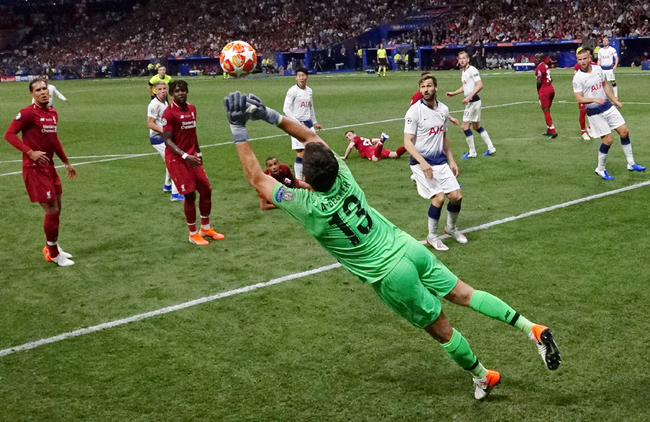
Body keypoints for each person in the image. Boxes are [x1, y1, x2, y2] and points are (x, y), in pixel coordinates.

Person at [224, 91, 562, 400]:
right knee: (465, 294)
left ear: (308, 180)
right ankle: (531, 328)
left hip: (390, 275)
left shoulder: (308, 207)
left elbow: (257, 178)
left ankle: (482, 376)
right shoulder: (344, 174)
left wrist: (237, 127)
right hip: (408, 247)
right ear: (331, 163)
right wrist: (266, 114)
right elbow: (311, 137)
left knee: (442, 331)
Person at [4, 79, 77, 266]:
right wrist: (30, 152)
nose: (43, 92)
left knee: (57, 208)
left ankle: (51, 246)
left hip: (50, 167)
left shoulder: (53, 113)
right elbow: (9, 134)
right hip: (34, 169)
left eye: (45, 88)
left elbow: (54, 140)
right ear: (32, 95)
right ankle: (52, 253)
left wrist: (66, 162)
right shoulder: (27, 113)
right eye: (38, 90)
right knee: (51, 210)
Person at [404, 74, 466, 252]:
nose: (426, 89)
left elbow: (443, 136)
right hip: (420, 163)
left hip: (440, 161)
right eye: (422, 86)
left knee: (456, 196)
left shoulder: (443, 110)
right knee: (438, 198)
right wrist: (422, 163)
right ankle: (432, 236)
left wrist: (452, 160)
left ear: (436, 88)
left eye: (429, 86)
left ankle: (451, 228)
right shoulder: (414, 111)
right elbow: (407, 142)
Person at [162, 80, 225, 244]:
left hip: (192, 157)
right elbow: (167, 141)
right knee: (190, 195)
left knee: (206, 190)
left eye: (183, 90)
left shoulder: (192, 109)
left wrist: (199, 152)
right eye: (177, 91)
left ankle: (205, 228)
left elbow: (193, 134)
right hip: (177, 159)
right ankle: (192, 234)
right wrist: (184, 156)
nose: (180, 93)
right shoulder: (168, 114)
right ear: (171, 94)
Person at [573, 48, 645, 180]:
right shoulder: (578, 78)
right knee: (608, 139)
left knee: (624, 132)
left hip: (607, 106)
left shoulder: (598, 69)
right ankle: (600, 168)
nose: (582, 62)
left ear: (590, 58)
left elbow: (604, 85)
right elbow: (579, 98)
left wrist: (615, 101)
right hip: (594, 112)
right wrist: (595, 99)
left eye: (584, 58)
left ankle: (631, 163)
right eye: (579, 59)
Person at [446, 51, 496, 159]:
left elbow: (479, 85)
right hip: (473, 101)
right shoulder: (464, 72)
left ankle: (472, 152)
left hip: (473, 102)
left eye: (464, 58)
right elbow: (465, 86)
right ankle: (491, 147)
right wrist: (454, 93)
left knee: (464, 127)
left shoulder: (472, 70)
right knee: (476, 127)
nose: (462, 60)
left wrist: (469, 97)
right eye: (460, 58)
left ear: (468, 59)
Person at [147, 81, 183, 201]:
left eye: (164, 89)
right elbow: (150, 123)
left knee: (170, 160)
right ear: (155, 91)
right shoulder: (154, 105)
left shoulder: (165, 102)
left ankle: (167, 186)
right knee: (174, 161)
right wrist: (164, 131)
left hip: (164, 137)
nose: (162, 91)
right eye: (159, 89)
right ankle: (175, 193)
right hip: (157, 137)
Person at [283, 68, 322, 181]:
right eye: (299, 75)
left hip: (308, 125)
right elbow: (286, 109)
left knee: (313, 151)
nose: (301, 78)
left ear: (307, 77)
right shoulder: (292, 91)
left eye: (303, 75)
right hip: (297, 126)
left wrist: (315, 122)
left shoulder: (309, 91)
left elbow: (311, 107)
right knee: (300, 153)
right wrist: (296, 121)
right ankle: (299, 180)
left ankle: (307, 176)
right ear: (296, 77)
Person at [534, 53, 558, 138]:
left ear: (542, 59)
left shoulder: (539, 67)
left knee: (546, 110)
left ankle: (553, 130)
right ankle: (548, 129)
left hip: (544, 90)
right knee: (547, 109)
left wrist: (538, 90)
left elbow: (539, 81)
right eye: (535, 58)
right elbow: (551, 78)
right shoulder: (545, 65)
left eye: (538, 58)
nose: (535, 60)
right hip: (551, 89)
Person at [342, 131, 407, 161]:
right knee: (395, 155)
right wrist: (378, 143)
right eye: (347, 137)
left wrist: (345, 156)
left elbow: (350, 146)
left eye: (349, 135)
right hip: (375, 149)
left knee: (375, 159)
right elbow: (374, 140)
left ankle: (381, 142)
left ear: (354, 134)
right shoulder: (362, 139)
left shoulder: (355, 139)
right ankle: (408, 146)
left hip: (370, 151)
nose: (348, 138)